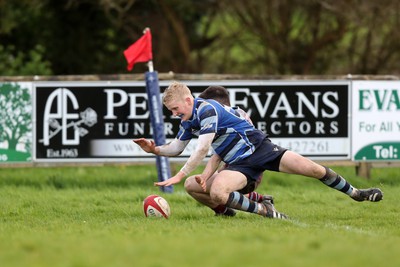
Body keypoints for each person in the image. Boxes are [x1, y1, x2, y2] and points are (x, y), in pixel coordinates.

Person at [133, 81, 383, 220]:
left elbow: (203, 148)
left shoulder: (207, 109)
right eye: (172, 112)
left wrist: (179, 174)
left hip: (262, 149)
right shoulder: (189, 120)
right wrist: (154, 150)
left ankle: (356, 192)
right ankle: (266, 211)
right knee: (214, 191)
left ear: (189, 100)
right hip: (239, 164)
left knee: (314, 169)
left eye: (176, 109)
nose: (175, 115)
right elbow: (177, 147)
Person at [185, 85, 273, 217]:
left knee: (206, 186)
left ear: (216, 105)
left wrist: (206, 176)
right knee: (195, 185)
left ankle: (263, 207)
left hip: (248, 174)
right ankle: (227, 211)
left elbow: (218, 156)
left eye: (207, 106)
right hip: (245, 172)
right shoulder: (238, 114)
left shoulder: (225, 121)